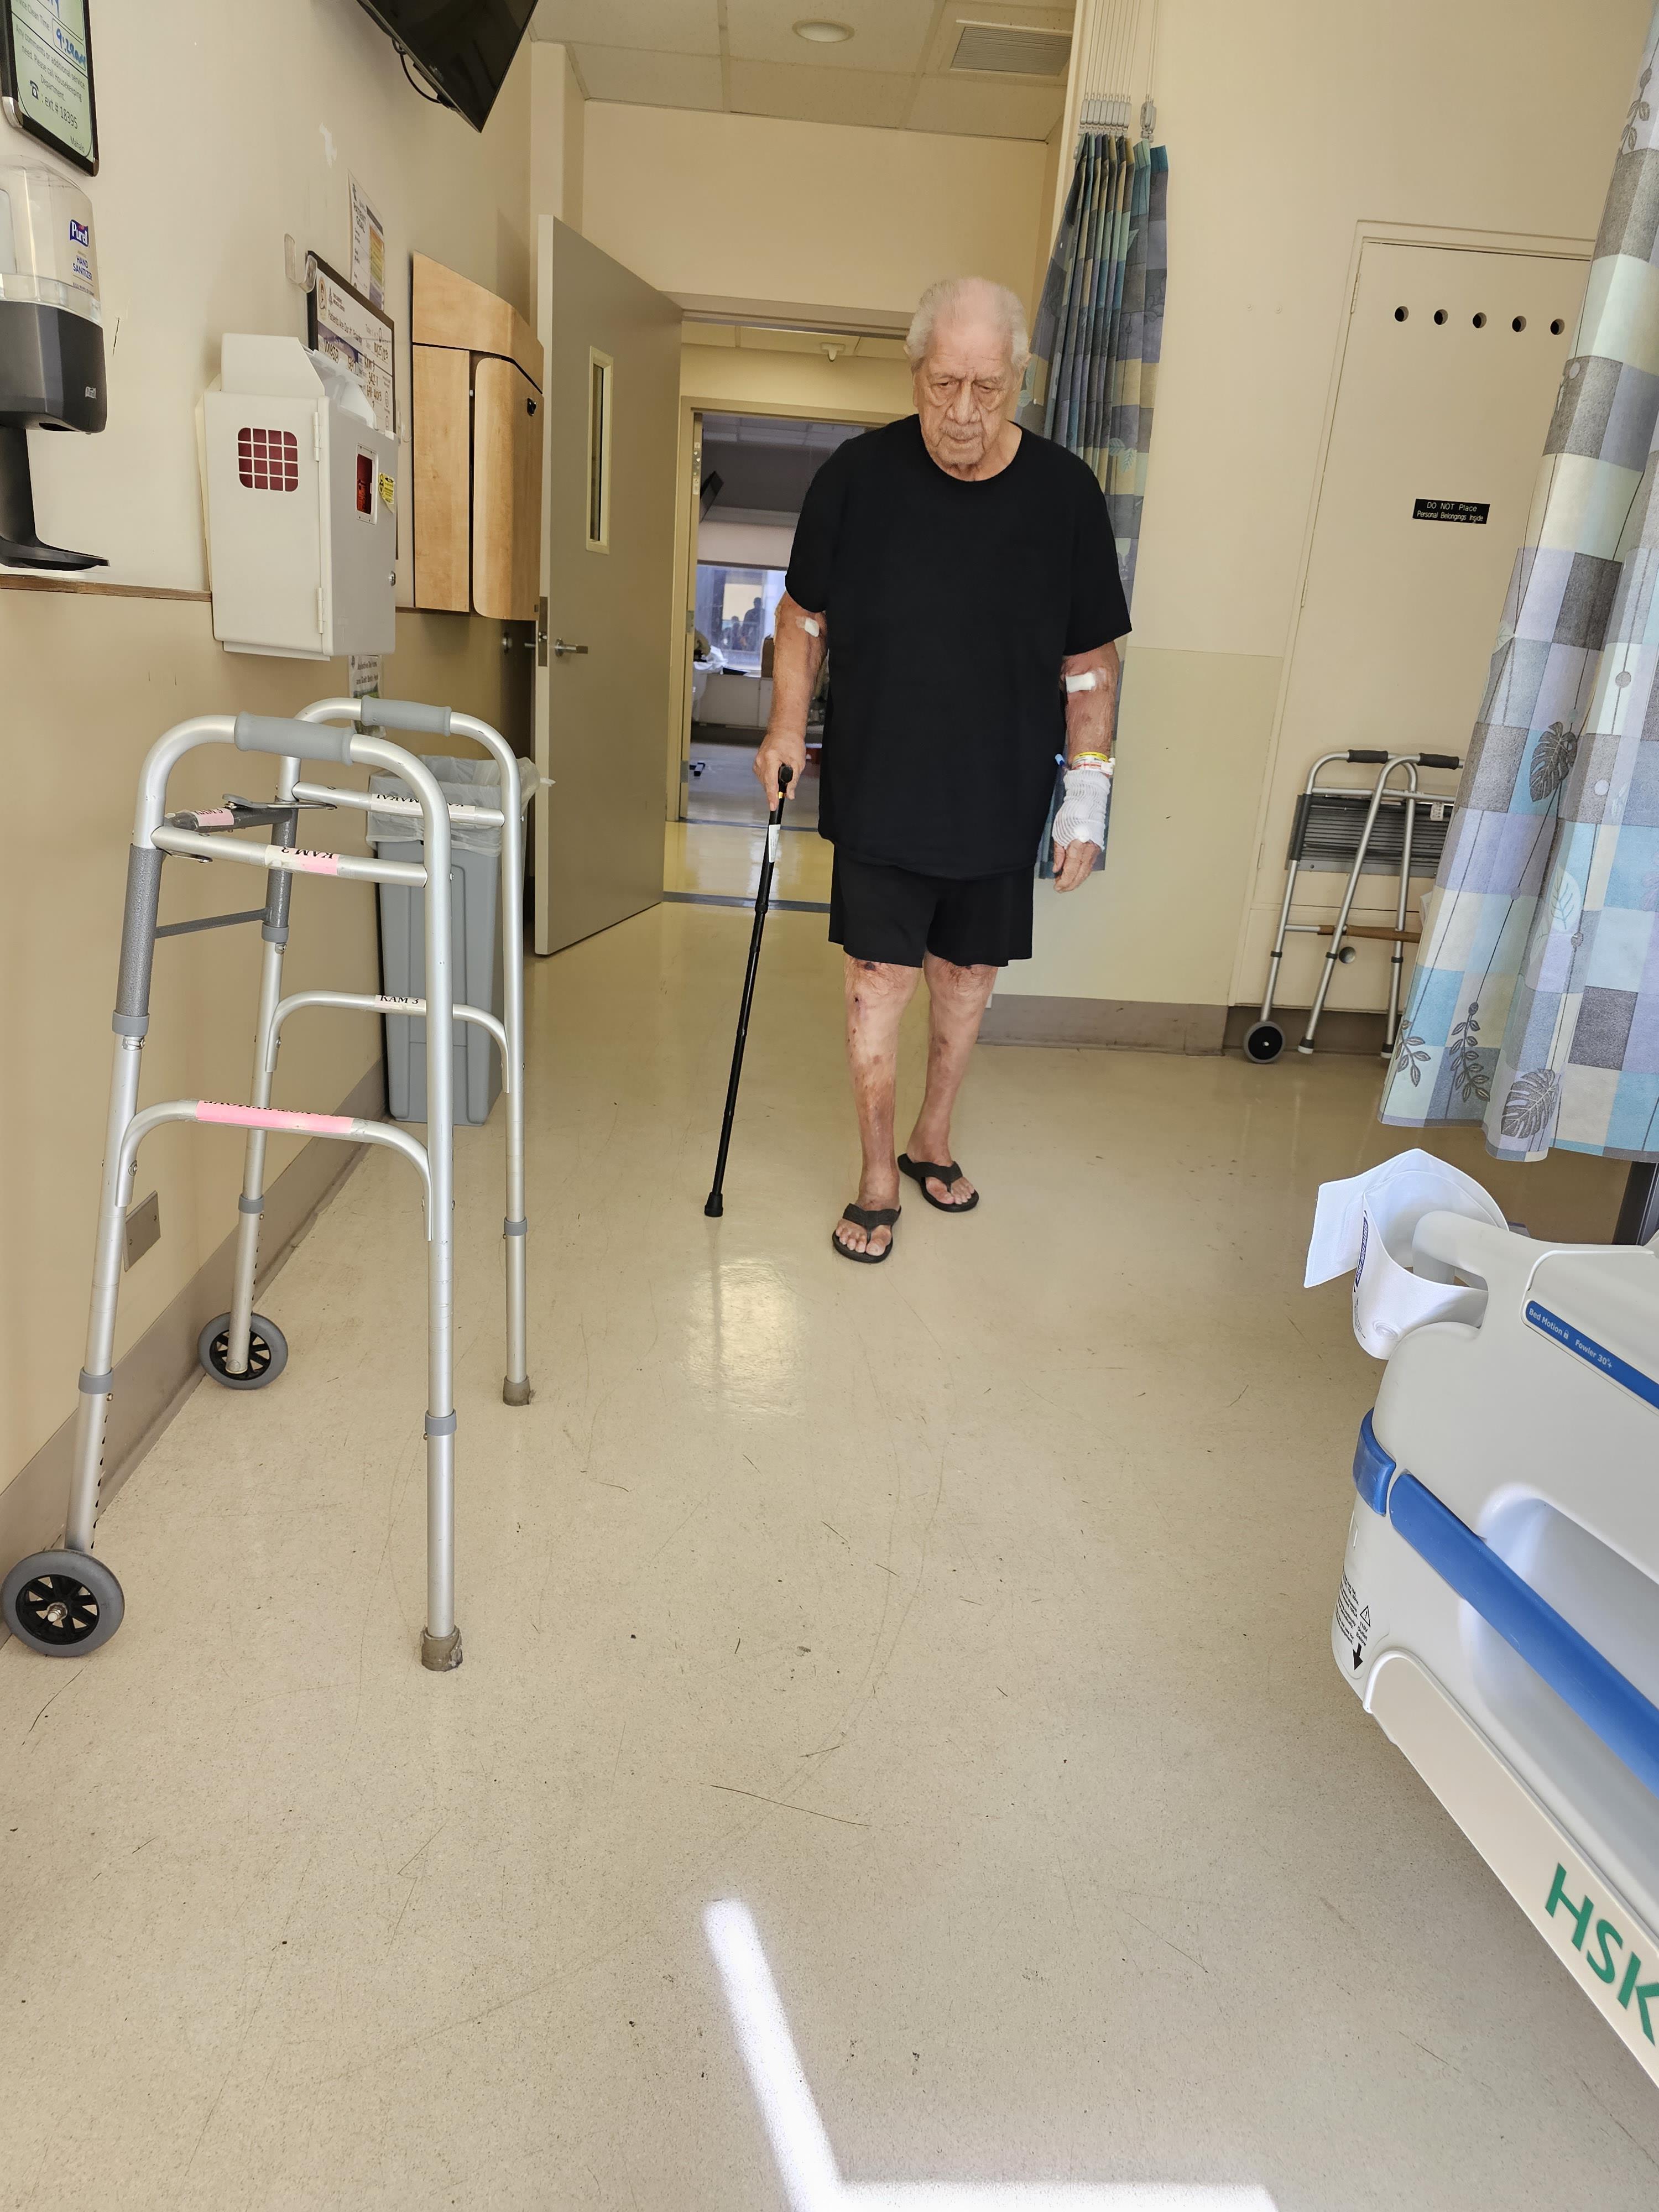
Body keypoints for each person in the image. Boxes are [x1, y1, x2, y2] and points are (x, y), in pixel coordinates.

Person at [754, 275, 1129, 1263]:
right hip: (882, 790)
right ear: (916, 371)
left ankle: (932, 1139)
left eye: (988, 389)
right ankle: (878, 1171)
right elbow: (802, 620)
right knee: (879, 981)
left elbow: (1090, 661)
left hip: (1002, 796)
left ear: (1019, 383)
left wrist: (1085, 794)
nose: (963, 414)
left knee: (966, 983)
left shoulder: (1065, 496)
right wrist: (785, 728)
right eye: (943, 385)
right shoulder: (854, 480)